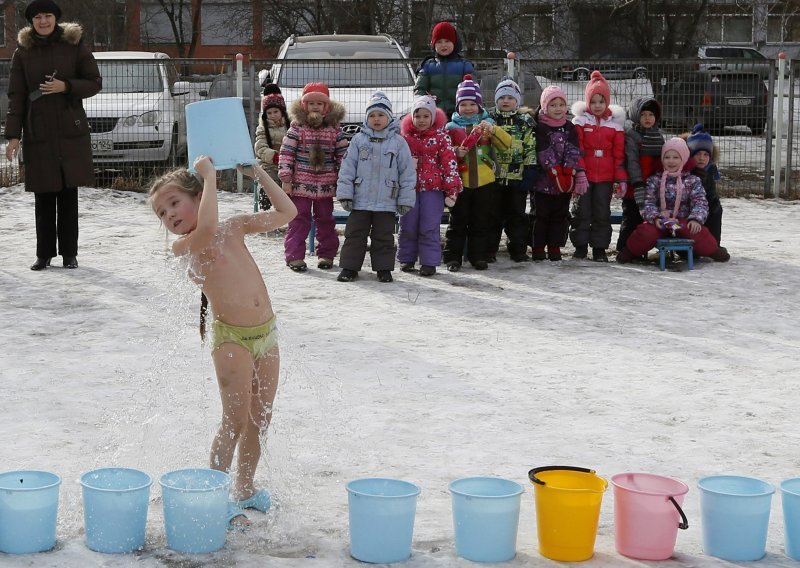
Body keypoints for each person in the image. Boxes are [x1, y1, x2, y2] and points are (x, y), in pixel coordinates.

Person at [149, 156, 297, 528]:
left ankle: (245, 486)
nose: (169, 215)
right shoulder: (185, 246)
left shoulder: (233, 228)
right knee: (233, 418)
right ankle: (216, 493)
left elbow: (287, 212)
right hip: (230, 338)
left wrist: (258, 173)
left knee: (260, 416)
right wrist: (211, 176)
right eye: (162, 213)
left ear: (197, 197)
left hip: (267, 334)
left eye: (173, 203)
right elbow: (208, 224)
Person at [5, 0, 101, 271]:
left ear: (56, 19)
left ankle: (69, 254)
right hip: (38, 132)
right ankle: (44, 254)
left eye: (47, 16)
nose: (43, 21)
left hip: (70, 130)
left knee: (68, 195)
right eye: (37, 17)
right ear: (31, 22)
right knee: (43, 195)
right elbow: (17, 96)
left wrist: (66, 86)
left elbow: (94, 82)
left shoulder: (74, 45)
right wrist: (13, 135)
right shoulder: (22, 52)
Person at [335, 92, 417, 283]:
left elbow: (407, 173)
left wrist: (405, 199)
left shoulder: (398, 143)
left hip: (386, 201)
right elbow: (347, 169)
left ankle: (384, 269)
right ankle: (349, 267)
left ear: (389, 117)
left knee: (384, 237)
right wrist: (345, 195)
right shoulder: (358, 141)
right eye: (372, 115)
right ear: (366, 119)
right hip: (360, 200)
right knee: (354, 235)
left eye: (380, 115)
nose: (376, 119)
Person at [616, 137, 730, 264]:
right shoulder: (654, 180)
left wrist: (695, 219)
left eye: (676, 158)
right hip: (661, 222)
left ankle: (712, 250)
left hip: (681, 221)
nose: (671, 161)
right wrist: (655, 217)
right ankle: (630, 251)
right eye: (667, 157)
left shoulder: (692, 180)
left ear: (684, 159)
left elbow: (700, 202)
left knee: (697, 232)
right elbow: (648, 202)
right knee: (646, 232)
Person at [442, 75, 511, 271]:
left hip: (485, 182)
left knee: (481, 222)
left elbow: (507, 145)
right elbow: (443, 153)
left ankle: (478, 256)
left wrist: (494, 130)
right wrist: (456, 151)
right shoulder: (451, 127)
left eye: (472, 103)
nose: (468, 108)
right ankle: (452, 257)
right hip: (460, 183)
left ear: (479, 105)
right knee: (458, 222)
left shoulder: (488, 125)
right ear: (457, 106)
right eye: (463, 104)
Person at [278, 82, 348, 272]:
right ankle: (294, 256)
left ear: (327, 107)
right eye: (311, 103)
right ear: (304, 105)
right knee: (298, 218)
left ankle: (326, 254)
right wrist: (286, 178)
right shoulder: (297, 129)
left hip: (325, 184)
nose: (315, 107)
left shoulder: (334, 131)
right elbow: (286, 154)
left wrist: (344, 178)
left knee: (325, 219)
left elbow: (343, 156)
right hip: (300, 184)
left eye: (319, 103)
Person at [398, 95, 462, 276]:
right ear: (412, 117)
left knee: (429, 226)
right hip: (409, 189)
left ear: (433, 117)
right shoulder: (405, 138)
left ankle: (429, 262)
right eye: (417, 116)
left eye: (426, 116)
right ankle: (407, 258)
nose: (421, 120)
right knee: (408, 224)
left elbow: (449, 164)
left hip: (433, 190)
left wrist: (451, 189)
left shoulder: (441, 138)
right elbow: (397, 163)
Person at [569, 71, 627, 262]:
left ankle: (600, 248)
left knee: (602, 213)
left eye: (601, 101)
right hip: (585, 176)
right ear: (587, 103)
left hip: (605, 177)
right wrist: (579, 171)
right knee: (581, 210)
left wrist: (621, 179)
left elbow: (618, 155)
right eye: (593, 102)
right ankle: (580, 246)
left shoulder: (616, 126)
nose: (597, 106)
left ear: (607, 102)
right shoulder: (579, 122)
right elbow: (577, 149)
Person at [532, 85, 586, 261]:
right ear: (545, 106)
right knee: (540, 216)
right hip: (543, 182)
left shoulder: (569, 127)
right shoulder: (540, 126)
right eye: (553, 105)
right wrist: (554, 171)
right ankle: (538, 247)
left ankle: (555, 247)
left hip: (564, 183)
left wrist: (569, 170)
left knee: (559, 216)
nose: (558, 109)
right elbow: (542, 150)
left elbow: (573, 149)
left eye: (561, 105)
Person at [489, 77, 537, 262]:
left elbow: (530, 147)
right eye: (502, 98)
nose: (506, 101)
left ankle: (518, 249)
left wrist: (530, 169)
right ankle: (490, 249)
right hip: (494, 178)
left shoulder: (524, 122)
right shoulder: (490, 120)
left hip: (517, 178)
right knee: (493, 216)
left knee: (517, 216)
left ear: (517, 100)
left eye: (510, 97)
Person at [617, 96, 665, 253]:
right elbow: (632, 161)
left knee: (647, 219)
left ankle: (640, 249)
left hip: (653, 187)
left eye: (651, 115)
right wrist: (637, 182)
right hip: (634, 186)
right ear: (636, 114)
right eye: (643, 114)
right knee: (631, 218)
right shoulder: (632, 135)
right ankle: (624, 248)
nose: (647, 118)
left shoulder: (658, 136)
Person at [414, 21, 475, 118]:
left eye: (447, 41)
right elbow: (420, 89)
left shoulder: (465, 65)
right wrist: (422, 104)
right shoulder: (427, 66)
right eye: (439, 42)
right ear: (433, 44)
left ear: (454, 42)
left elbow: (473, 90)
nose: (443, 45)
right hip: (434, 114)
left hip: (460, 114)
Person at [683, 123, 723, 245]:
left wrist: (712, 202)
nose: (702, 158)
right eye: (698, 154)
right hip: (686, 207)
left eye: (706, 155)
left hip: (704, 206)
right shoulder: (685, 170)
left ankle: (714, 244)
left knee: (716, 208)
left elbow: (711, 192)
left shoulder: (710, 169)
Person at [253, 83, 289, 211]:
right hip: (270, 165)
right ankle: (266, 213)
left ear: (282, 111)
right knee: (268, 183)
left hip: (289, 164)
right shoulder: (263, 128)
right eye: (269, 113)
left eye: (276, 112)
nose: (273, 115)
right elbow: (260, 148)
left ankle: (292, 214)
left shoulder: (290, 126)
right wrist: (274, 156)